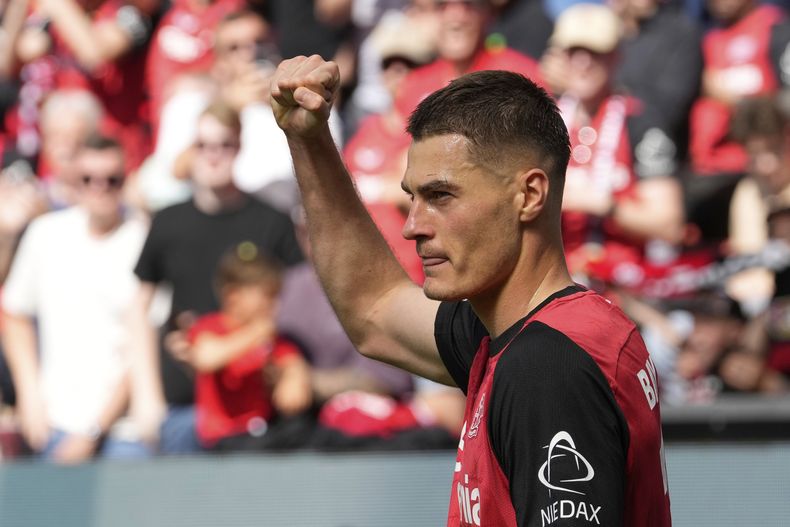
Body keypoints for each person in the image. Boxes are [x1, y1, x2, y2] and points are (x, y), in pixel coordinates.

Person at [270, 56, 670, 526]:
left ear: (529, 195)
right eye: (412, 198)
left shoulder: (547, 367)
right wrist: (310, 138)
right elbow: (374, 310)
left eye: (441, 196)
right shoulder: (545, 331)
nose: (413, 227)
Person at [128, 100, 302, 454]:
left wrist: (270, 350)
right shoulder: (168, 222)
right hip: (184, 403)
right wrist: (146, 395)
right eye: (204, 146)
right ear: (192, 151)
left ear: (239, 148)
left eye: (224, 145)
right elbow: (138, 309)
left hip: (256, 405)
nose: (214, 155)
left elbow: (299, 300)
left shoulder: (271, 221)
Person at [1, 134, 150, 463]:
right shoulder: (46, 234)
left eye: (111, 180)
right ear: (73, 181)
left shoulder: (144, 239)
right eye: (89, 179)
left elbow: (145, 344)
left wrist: (94, 431)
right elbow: (14, 314)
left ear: (124, 181)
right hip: (53, 425)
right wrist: (29, 395)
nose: (100, 188)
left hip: (125, 433)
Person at [187, 243, 312, 451]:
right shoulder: (211, 327)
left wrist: (293, 378)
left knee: (303, 432)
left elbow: (292, 367)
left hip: (263, 430)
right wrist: (256, 332)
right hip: (224, 439)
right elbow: (206, 358)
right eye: (267, 296)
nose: (275, 305)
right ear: (233, 296)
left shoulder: (274, 340)